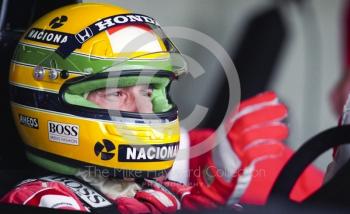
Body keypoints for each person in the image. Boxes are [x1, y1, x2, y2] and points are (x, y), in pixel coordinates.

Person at [1, 2, 323, 212]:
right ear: (47, 100)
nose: (145, 110)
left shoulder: (161, 186)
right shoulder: (41, 198)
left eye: (149, 90)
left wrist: (217, 183)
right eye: (116, 94)